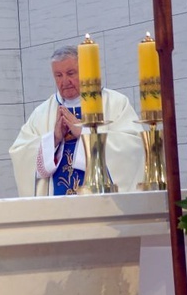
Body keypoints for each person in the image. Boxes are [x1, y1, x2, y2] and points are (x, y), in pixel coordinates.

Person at [9, 46, 144, 196]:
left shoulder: (114, 103)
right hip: (57, 207)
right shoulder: (42, 113)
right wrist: (53, 139)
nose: (65, 81)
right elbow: (20, 152)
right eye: (58, 75)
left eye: (71, 73)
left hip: (101, 201)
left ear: (85, 71)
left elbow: (133, 146)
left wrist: (84, 133)